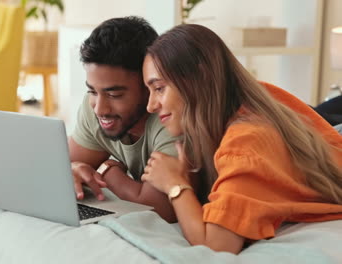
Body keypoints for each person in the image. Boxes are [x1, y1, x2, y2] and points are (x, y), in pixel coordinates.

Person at [141, 24, 342, 254]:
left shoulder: (245, 144)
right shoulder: (258, 97)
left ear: (200, 76)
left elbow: (216, 245)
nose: (150, 105)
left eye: (158, 88)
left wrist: (175, 185)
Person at [69, 16, 178, 222]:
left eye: (114, 95)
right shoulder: (94, 108)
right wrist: (74, 170)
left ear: (149, 85)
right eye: (92, 91)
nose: (100, 109)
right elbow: (63, 165)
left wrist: (106, 170)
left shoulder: (171, 118)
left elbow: (161, 208)